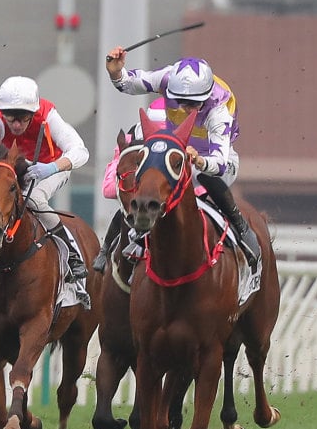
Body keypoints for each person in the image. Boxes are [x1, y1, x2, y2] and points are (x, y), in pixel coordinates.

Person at [104, 48, 260, 266]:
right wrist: (116, 72)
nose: (188, 109)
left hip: (213, 162)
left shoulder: (219, 110)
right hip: (177, 154)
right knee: (149, 180)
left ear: (206, 96)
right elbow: (128, 83)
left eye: (196, 104)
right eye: (181, 102)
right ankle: (122, 240)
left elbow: (220, 164)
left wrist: (198, 160)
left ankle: (241, 227)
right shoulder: (167, 78)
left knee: (202, 176)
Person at [0, 74, 92, 307]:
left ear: (34, 113)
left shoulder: (48, 115)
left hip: (51, 168)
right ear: (2, 112)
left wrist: (50, 168)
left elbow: (81, 151)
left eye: (23, 118)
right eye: (11, 118)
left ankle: (72, 255)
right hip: (11, 169)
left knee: (35, 200)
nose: (17, 125)